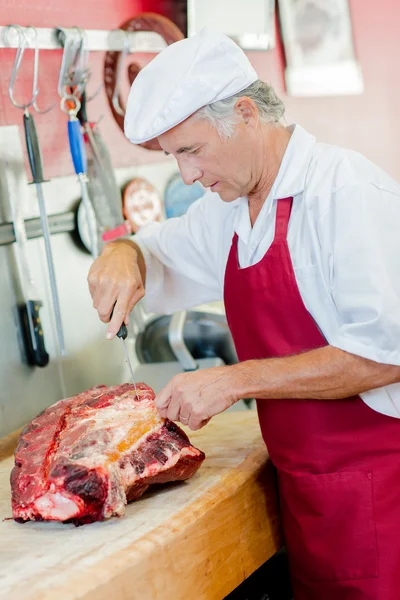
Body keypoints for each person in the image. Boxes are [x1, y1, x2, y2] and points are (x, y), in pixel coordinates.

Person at [88, 28, 400, 600]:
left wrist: (233, 380)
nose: (185, 175)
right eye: (170, 156)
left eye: (191, 150)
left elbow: (385, 355)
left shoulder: (345, 194)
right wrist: (122, 252)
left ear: (247, 113)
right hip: (311, 500)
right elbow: (157, 252)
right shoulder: (230, 210)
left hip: (385, 493)